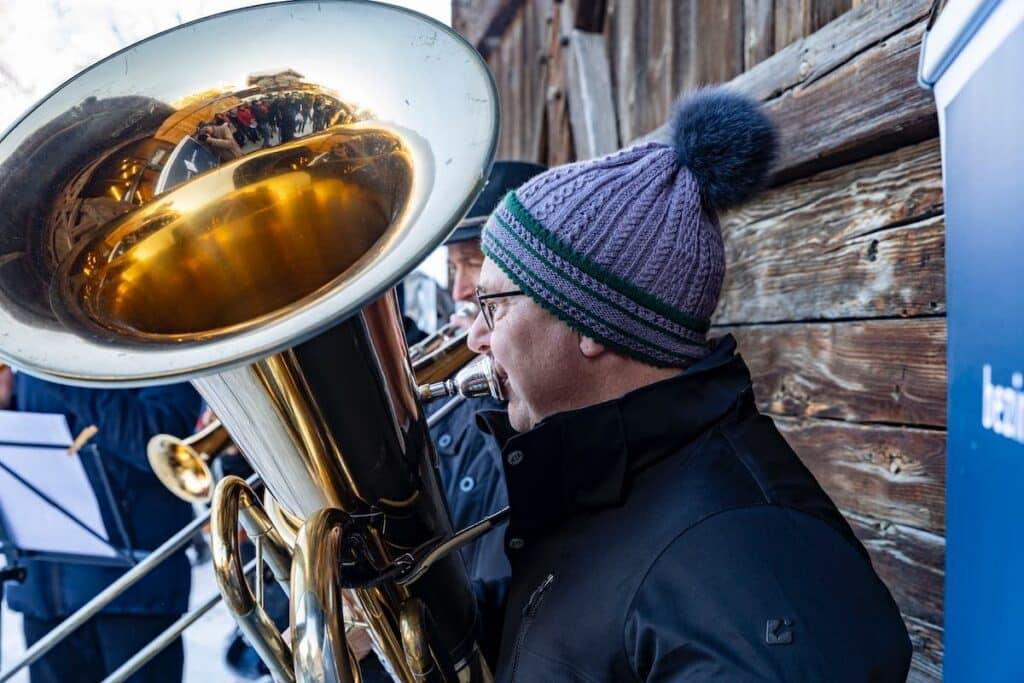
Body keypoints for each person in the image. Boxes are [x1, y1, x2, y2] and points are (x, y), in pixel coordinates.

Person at [465, 88, 913, 681]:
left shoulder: (756, 566)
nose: (475, 337)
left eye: (492, 305)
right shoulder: (605, 478)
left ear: (588, 324)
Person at [5, 373, 203, 683]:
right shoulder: (29, 350)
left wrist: (59, 371)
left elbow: (159, 443)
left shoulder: (156, 345)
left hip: (134, 595)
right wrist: (8, 401)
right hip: (43, 591)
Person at [428, 161, 545, 587]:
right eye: (453, 268)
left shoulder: (530, 386)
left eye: (472, 263)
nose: (459, 291)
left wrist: (499, 373)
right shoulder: (456, 361)